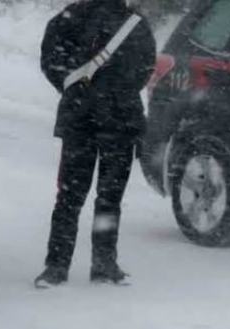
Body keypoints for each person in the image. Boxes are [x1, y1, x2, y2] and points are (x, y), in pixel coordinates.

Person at [36, 0, 156, 288]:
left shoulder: (69, 18)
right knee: (109, 199)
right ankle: (103, 264)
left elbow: (50, 60)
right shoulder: (136, 25)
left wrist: (75, 88)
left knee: (69, 197)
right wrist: (117, 93)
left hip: (81, 118)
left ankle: (56, 266)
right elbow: (144, 69)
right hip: (121, 121)